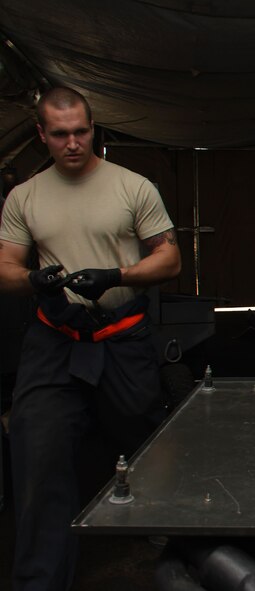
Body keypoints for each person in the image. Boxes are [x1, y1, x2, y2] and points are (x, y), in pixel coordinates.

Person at [0, 87, 181, 591]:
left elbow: (170, 259)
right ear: (42, 134)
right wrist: (32, 281)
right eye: (60, 134)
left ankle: (175, 542)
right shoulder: (25, 196)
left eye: (82, 131)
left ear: (93, 128)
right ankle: (39, 579)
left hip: (122, 336)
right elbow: (6, 269)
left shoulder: (132, 186)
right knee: (37, 452)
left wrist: (117, 275)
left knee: (148, 443)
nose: (73, 142)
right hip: (55, 340)